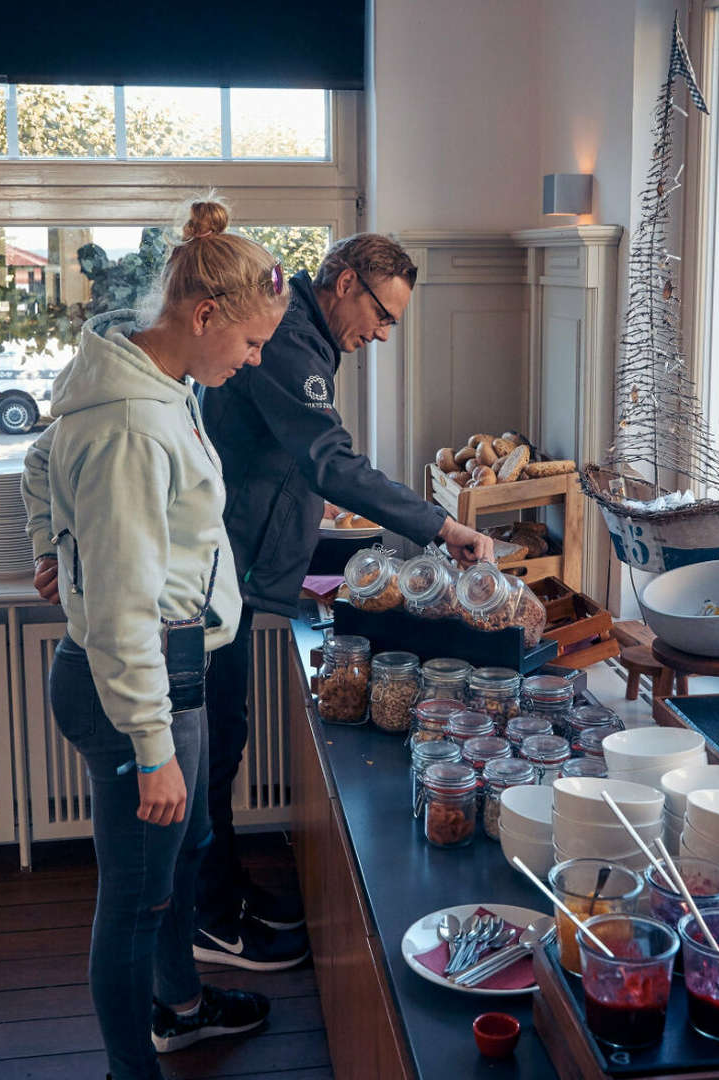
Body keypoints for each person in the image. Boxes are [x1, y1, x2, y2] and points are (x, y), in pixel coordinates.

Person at [23, 198, 288, 1079]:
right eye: (250, 345)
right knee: (137, 899)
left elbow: (38, 462)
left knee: (189, 852)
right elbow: (125, 611)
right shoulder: (133, 423)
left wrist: (49, 542)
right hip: (136, 686)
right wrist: (150, 746)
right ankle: (129, 1071)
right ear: (203, 315)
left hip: (180, 668)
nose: (253, 363)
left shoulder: (156, 385)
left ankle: (181, 1009)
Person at [190, 233, 495, 969]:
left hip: (233, 568)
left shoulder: (301, 335)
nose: (383, 335)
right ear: (346, 281)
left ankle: (223, 895)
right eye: (383, 315)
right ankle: (209, 920)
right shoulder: (292, 341)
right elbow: (329, 460)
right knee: (215, 747)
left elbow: (297, 463)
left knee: (222, 737)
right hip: (216, 574)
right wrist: (441, 524)